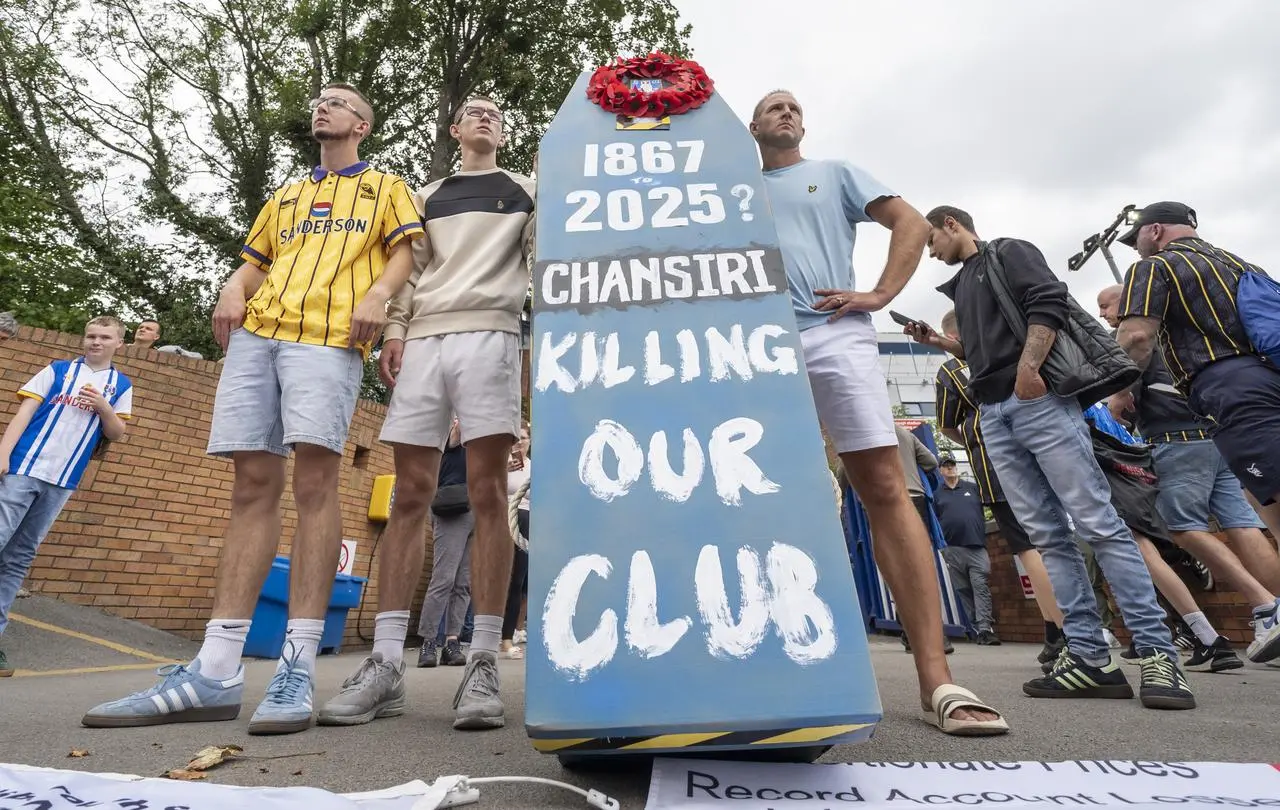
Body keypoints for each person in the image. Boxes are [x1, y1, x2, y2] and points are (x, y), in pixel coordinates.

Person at [83, 82, 423, 733]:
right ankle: (215, 670)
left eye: (337, 102)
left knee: (318, 484)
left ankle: (296, 665)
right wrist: (229, 288)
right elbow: (254, 263)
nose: (321, 106)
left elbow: (406, 250)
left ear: (362, 123)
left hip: (327, 338)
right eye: (318, 99)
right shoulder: (287, 196)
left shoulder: (386, 187)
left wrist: (379, 295)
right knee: (250, 485)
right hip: (259, 337)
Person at [751, 90, 1007, 735]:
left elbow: (913, 223)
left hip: (835, 331)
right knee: (759, 495)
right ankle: (766, 669)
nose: (786, 112)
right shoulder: (728, 188)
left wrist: (881, 293)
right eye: (772, 107)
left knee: (885, 487)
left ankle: (937, 681)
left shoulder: (833, 173)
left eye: (794, 107)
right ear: (751, 127)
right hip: (755, 345)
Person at [912, 205, 1193, 710]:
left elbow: (1049, 303)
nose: (929, 251)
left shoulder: (1008, 251)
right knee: (1046, 535)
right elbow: (985, 354)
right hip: (995, 411)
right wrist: (941, 343)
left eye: (930, 239)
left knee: (1098, 523)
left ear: (951, 224)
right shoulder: (965, 282)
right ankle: (1089, 658)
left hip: (1038, 400)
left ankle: (1157, 652)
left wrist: (1030, 369)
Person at [319, 96, 534, 732]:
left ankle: (482, 662)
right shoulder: (426, 193)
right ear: (455, 129)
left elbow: (545, 262)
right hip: (424, 342)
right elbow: (410, 268)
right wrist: (394, 328)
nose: (486, 117)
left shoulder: (528, 190)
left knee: (489, 492)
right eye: (474, 111)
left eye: (496, 113)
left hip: (492, 334)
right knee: (411, 494)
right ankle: (385, 666)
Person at [1112, 201, 1280, 664]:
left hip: (1228, 390)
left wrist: (1116, 390)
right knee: (1256, 515)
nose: (1136, 249)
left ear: (1155, 231)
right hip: (1265, 380)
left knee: (1254, 509)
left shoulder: (1156, 267)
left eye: (1137, 240)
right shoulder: (1238, 262)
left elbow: (1137, 338)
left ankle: (1272, 612)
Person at [1, 316, 132, 677]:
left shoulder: (120, 384)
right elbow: (23, 414)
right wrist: (3, 455)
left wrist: (105, 407)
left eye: (104, 337)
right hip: (24, 468)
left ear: (118, 343)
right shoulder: (56, 370)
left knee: (18, 558)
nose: (95, 341)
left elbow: (118, 432)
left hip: (62, 481)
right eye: (90, 335)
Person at [932, 308, 1067, 663]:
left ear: (953, 337)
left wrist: (977, 443)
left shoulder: (951, 370)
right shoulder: (1012, 349)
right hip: (1043, 449)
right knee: (1057, 536)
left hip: (996, 465)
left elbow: (946, 425)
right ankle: (1062, 628)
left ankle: (1062, 629)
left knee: (1028, 546)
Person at [413, 418, 473, 670]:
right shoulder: (452, 427)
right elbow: (457, 433)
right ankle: (428, 641)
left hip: (477, 506)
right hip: (453, 505)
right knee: (443, 578)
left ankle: (452, 641)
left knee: (463, 583)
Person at [934, 454, 999, 645]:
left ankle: (986, 628)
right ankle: (977, 628)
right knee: (963, 590)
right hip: (952, 549)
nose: (950, 468)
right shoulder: (937, 495)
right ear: (940, 470)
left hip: (976, 547)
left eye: (952, 465)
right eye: (946, 466)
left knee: (980, 587)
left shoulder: (972, 488)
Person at [502, 424, 530, 659]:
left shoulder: (534, 466)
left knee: (518, 581)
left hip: (527, 520)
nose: (520, 442)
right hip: (503, 517)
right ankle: (488, 634)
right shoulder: (502, 462)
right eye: (516, 438)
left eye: (524, 438)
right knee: (498, 577)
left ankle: (508, 637)